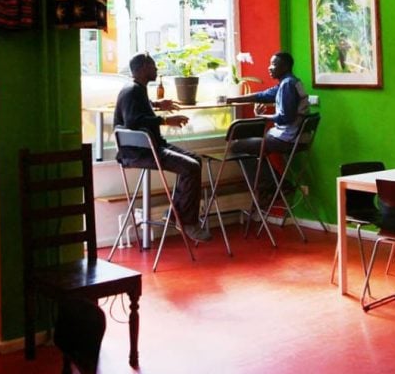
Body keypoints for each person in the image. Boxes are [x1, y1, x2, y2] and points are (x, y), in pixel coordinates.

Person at [114, 52, 211, 242]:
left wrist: (156, 104)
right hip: (140, 152)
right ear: (142, 68)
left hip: (151, 146)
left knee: (195, 160)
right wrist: (165, 120)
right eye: (153, 65)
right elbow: (133, 121)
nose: (157, 69)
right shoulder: (132, 91)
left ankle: (175, 213)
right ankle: (188, 222)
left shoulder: (137, 90)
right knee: (190, 167)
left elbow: (138, 110)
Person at [225, 51, 310, 206]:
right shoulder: (290, 82)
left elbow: (286, 118)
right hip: (299, 137)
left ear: (285, 66)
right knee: (255, 148)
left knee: (237, 147)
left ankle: (270, 187)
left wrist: (261, 116)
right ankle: (277, 185)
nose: (269, 68)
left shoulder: (288, 86)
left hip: (288, 139)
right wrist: (232, 99)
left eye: (274, 64)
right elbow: (262, 95)